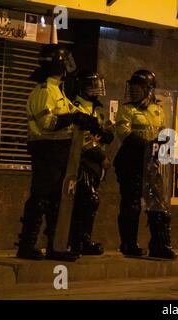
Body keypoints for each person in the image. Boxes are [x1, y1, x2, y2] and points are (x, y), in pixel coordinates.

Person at [16, 45, 99, 261]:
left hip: (60, 152)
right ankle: (27, 245)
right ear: (60, 65)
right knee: (41, 198)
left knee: (56, 200)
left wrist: (88, 119)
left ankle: (56, 246)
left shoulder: (57, 89)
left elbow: (70, 112)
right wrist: (74, 119)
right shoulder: (45, 91)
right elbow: (47, 123)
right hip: (47, 151)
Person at [114, 69, 177, 259]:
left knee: (157, 203)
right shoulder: (127, 109)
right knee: (131, 205)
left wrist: (164, 142)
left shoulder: (157, 110)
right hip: (131, 161)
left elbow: (163, 132)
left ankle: (159, 244)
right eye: (132, 87)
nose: (133, 91)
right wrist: (148, 146)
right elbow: (124, 133)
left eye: (138, 88)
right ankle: (129, 244)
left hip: (151, 163)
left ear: (149, 90)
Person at [68, 71, 114, 256]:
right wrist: (100, 156)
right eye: (92, 85)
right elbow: (81, 140)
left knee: (89, 202)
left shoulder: (99, 109)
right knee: (87, 200)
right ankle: (78, 240)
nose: (96, 89)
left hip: (96, 165)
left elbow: (109, 131)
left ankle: (83, 239)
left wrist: (104, 134)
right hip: (83, 161)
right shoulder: (77, 106)